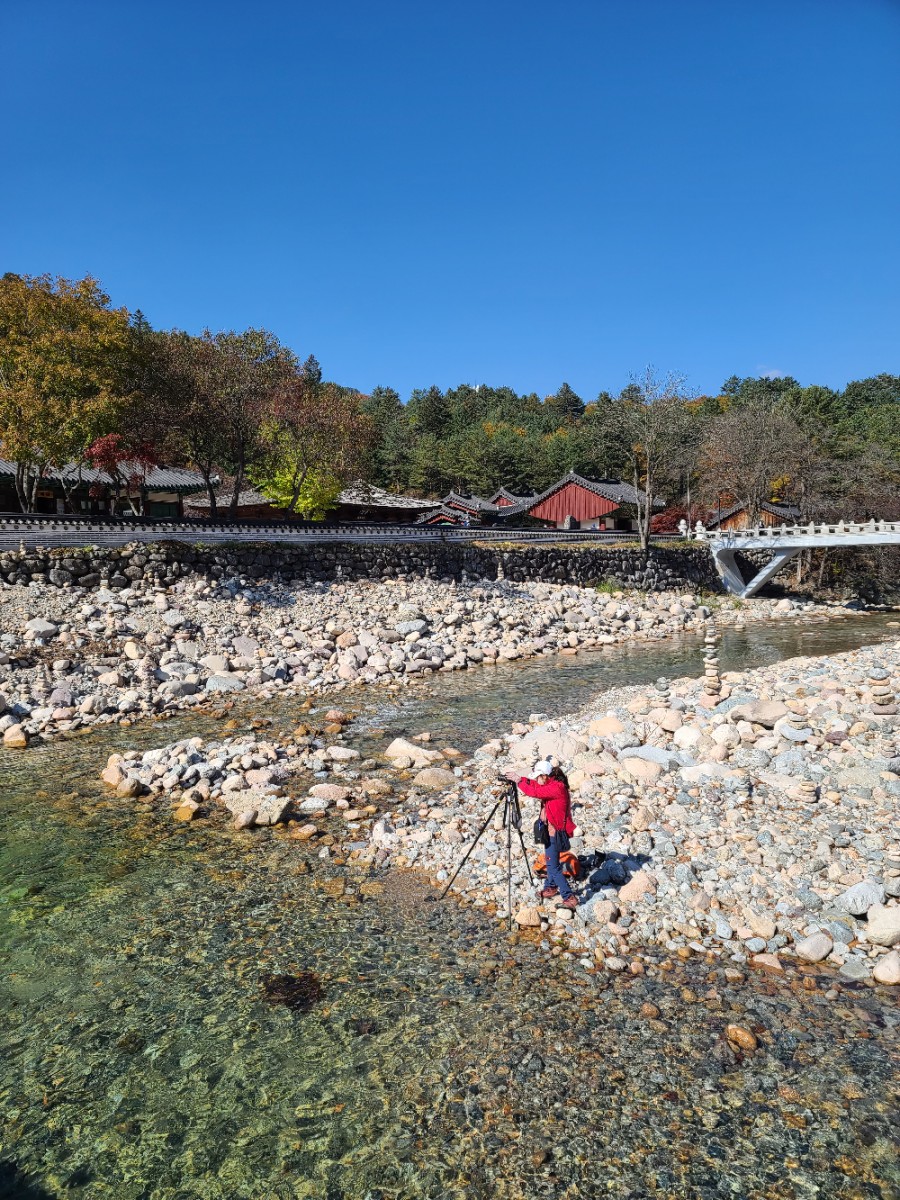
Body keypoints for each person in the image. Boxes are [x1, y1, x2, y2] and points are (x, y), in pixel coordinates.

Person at [505, 759, 579, 909]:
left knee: (552, 866)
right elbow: (535, 786)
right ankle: (551, 888)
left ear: (545, 775)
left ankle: (569, 897)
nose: (536, 779)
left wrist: (519, 781)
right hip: (550, 829)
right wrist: (520, 779)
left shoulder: (556, 788)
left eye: (538, 776)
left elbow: (535, 791)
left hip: (556, 832)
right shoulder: (552, 783)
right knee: (551, 860)